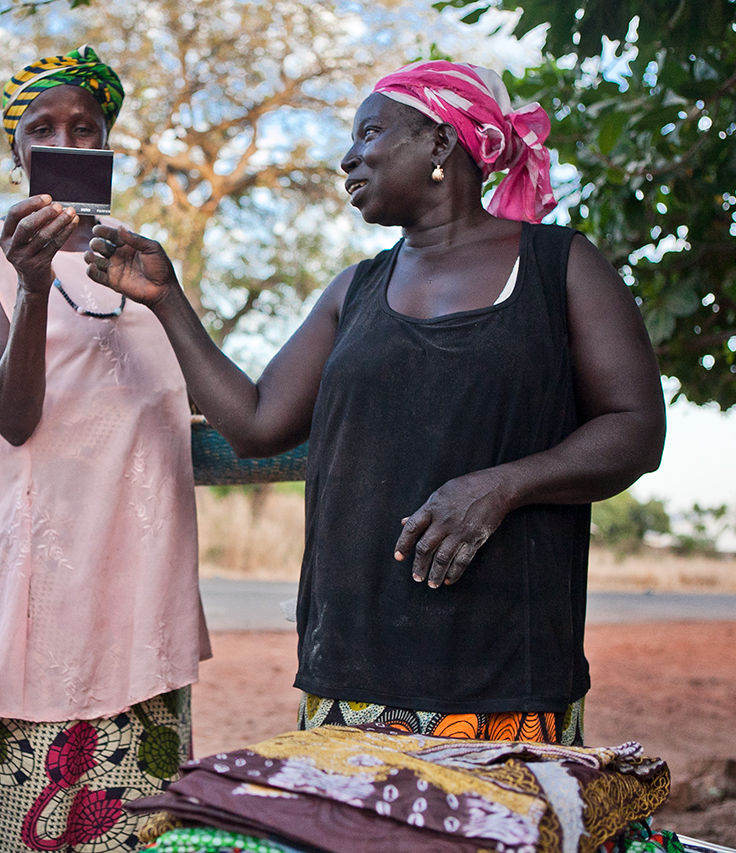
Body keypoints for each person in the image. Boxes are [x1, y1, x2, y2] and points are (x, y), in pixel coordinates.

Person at [85, 60, 666, 745]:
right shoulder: (354, 290)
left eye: (369, 133)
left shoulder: (557, 265)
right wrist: (168, 301)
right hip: (352, 666)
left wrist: (501, 486)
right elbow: (255, 422)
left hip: (507, 667)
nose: (347, 157)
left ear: (441, 143)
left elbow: (635, 428)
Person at [0, 45, 210, 853]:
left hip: (139, 572)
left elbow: (195, 397)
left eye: (85, 128)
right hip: (40, 571)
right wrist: (30, 285)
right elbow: (12, 416)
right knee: (10, 822)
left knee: (141, 825)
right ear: (17, 151)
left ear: (107, 146)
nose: (65, 141)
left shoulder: (143, 257)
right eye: (42, 128)